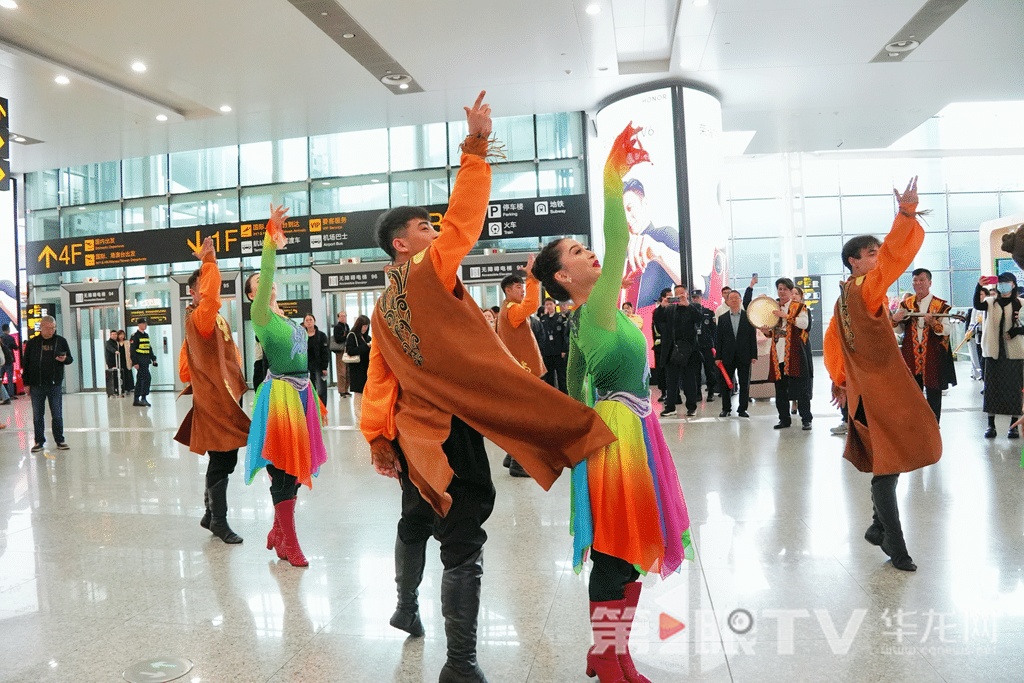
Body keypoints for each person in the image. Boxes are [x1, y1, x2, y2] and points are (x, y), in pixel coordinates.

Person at [360, 91, 615, 683]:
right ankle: (461, 663)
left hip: (409, 436)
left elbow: (380, 374)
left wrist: (378, 434)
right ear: (404, 244)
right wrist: (474, 148)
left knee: (417, 519)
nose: (437, 232)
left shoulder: (380, 304)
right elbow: (466, 217)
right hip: (448, 432)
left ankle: (404, 605)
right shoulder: (424, 272)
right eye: (426, 227)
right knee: (462, 541)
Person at [533, 122, 693, 683]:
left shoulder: (594, 318)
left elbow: (576, 385)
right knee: (614, 551)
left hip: (628, 429)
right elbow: (620, 239)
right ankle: (610, 656)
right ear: (563, 276)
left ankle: (611, 653)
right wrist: (610, 178)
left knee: (623, 548)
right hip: (618, 434)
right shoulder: (595, 310)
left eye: (588, 248)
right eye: (579, 252)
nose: (594, 255)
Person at [824, 176, 941, 573]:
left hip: (866, 394)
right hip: (878, 394)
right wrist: (905, 215)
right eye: (870, 253)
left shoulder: (844, 296)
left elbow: (834, 340)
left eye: (876, 252)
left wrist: (840, 379)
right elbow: (895, 257)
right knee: (887, 466)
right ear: (854, 261)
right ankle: (895, 544)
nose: (878, 258)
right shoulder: (865, 288)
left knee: (888, 461)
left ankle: (879, 528)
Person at [244, 204, 328, 568]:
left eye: (267, 284)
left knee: (296, 467)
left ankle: (279, 531)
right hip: (280, 396)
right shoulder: (260, 315)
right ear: (252, 296)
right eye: (258, 286)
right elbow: (266, 269)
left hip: (303, 393)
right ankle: (290, 543)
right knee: (284, 468)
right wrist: (270, 240)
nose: (266, 284)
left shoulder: (286, 317)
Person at [174, 237, 251, 545]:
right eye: (204, 286)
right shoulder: (201, 315)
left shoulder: (211, 318)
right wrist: (209, 263)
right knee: (222, 459)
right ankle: (218, 519)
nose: (209, 291)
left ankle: (210, 514)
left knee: (226, 459)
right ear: (195, 291)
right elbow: (211, 299)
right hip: (215, 401)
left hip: (224, 398)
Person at [497, 266, 547, 478]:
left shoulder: (507, 308)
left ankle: (512, 456)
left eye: (523, 286)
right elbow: (533, 304)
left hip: (519, 370)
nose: (523, 290)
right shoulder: (511, 310)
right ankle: (518, 461)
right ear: (508, 290)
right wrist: (533, 279)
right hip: (521, 371)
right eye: (519, 287)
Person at [892, 268, 953, 422]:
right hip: (910, 355)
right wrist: (895, 319)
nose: (918, 283)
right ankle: (915, 426)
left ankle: (933, 424)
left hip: (932, 355)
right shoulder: (906, 304)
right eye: (915, 280)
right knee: (912, 392)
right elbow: (899, 331)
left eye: (922, 280)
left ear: (930, 283)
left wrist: (933, 323)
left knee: (934, 391)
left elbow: (946, 330)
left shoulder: (940, 305)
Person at [974, 272, 1024, 438]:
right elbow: (977, 305)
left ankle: (1013, 426)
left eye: (1007, 282)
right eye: (1000, 283)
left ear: (1013, 284)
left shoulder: (1021, 303)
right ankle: (991, 426)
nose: (1003, 286)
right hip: (994, 353)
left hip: (1014, 353)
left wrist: (1015, 331)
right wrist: (979, 286)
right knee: (992, 389)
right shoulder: (990, 302)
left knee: (1014, 391)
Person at [760, 278, 813, 430]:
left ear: (791, 291)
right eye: (779, 289)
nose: (781, 292)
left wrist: (786, 316)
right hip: (778, 354)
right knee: (780, 389)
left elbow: (804, 324)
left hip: (795, 353)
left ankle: (806, 419)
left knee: (801, 389)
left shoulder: (799, 307)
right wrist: (766, 332)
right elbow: (773, 333)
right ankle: (784, 419)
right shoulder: (774, 308)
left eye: (784, 289)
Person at [24, 315, 73, 452]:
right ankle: (39, 441)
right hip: (36, 385)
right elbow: (26, 364)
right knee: (38, 415)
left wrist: (64, 359)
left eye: (53, 328)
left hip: (54, 384)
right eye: (48, 328)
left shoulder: (60, 341)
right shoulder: (32, 343)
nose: (51, 331)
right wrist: (26, 383)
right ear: (41, 327)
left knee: (57, 414)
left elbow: (70, 359)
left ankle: (60, 440)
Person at [661, 286, 703, 417]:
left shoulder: (693, 307)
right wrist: (662, 307)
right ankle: (670, 406)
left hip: (689, 351)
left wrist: (688, 305)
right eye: (676, 294)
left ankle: (692, 406)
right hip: (672, 350)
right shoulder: (670, 309)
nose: (679, 297)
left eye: (681, 294)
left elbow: (699, 319)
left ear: (686, 294)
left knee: (689, 380)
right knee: (671, 381)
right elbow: (658, 322)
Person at [715, 290, 757, 418]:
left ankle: (742, 409)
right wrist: (718, 357)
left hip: (744, 354)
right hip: (727, 355)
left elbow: (752, 337)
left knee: (744, 383)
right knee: (725, 383)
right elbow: (719, 339)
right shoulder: (722, 318)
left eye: (736, 298)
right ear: (727, 302)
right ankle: (726, 408)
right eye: (731, 298)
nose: (733, 300)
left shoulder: (748, 317)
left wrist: (753, 355)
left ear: (740, 300)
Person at [692, 289, 719, 402]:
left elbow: (714, 331)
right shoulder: (689, 313)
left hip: (707, 345)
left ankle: (711, 392)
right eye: (693, 298)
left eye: (697, 297)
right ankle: (698, 393)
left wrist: (714, 345)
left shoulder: (709, 313)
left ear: (701, 298)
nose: (695, 299)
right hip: (695, 346)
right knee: (695, 371)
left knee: (710, 370)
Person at [538, 298, 569, 393]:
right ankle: (552, 396)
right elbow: (541, 336)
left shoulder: (561, 318)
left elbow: (565, 335)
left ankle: (564, 396)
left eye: (550, 304)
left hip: (559, 352)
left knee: (561, 377)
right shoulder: (543, 319)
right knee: (549, 377)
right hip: (547, 352)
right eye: (546, 305)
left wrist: (564, 349)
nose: (548, 306)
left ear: (555, 305)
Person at [303, 314, 330, 407]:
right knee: (310, 390)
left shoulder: (321, 335)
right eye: (307, 320)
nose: (309, 322)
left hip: (319, 366)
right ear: (304, 323)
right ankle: (312, 410)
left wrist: (324, 367)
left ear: (314, 321)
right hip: (306, 366)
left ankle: (322, 410)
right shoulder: (302, 336)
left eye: (310, 320)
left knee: (321, 390)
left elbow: (325, 352)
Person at [130, 319, 158, 407]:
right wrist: (135, 362)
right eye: (143, 324)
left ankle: (138, 399)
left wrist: (153, 358)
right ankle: (142, 398)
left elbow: (149, 348)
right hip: (139, 361)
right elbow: (132, 350)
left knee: (141, 379)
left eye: (145, 323)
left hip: (146, 361)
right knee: (146, 378)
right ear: (139, 325)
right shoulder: (135, 336)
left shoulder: (146, 335)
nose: (145, 325)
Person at [651, 288, 672, 402]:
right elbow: (658, 324)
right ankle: (664, 392)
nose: (671, 299)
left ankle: (674, 393)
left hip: (674, 345)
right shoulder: (658, 311)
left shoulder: (676, 308)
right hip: (660, 346)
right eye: (668, 297)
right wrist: (663, 307)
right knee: (661, 370)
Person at [345, 315, 371, 397]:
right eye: (364, 326)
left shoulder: (366, 337)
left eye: (367, 326)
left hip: (365, 368)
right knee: (359, 396)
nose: (365, 328)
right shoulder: (352, 335)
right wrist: (366, 346)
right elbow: (350, 351)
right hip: (357, 370)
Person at [333, 311, 351, 398]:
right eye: (341, 316)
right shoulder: (337, 327)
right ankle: (341, 390)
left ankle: (346, 389)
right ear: (338, 318)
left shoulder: (346, 326)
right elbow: (338, 339)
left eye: (345, 316)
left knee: (347, 371)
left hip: (347, 350)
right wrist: (346, 336)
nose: (343, 318)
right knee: (342, 372)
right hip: (340, 352)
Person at [104, 330, 123, 397]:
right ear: (110, 335)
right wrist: (115, 351)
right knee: (112, 375)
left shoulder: (116, 342)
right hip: (111, 361)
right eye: (113, 334)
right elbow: (110, 348)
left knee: (117, 375)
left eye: (115, 334)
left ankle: (118, 389)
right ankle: (112, 390)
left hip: (117, 361)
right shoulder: (108, 342)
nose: (114, 335)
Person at [0, 323, 17, 397]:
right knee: (10, 378)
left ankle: (2, 396)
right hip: (9, 361)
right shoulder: (10, 338)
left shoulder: (0, 338)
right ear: (8, 329)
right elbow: (16, 347)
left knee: (0, 378)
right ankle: (11, 395)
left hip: (1, 361)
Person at [116, 330, 134, 396]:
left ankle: (128, 388)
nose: (121, 336)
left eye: (123, 335)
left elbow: (130, 351)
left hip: (126, 360)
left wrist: (132, 360)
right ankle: (121, 388)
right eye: (120, 335)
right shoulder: (116, 343)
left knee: (127, 373)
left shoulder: (127, 342)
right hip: (119, 361)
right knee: (120, 375)